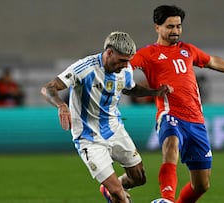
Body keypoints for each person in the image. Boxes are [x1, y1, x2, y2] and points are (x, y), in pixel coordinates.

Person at [130, 5, 224, 203]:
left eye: (178, 26)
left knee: (201, 184)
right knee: (171, 145)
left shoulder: (187, 50)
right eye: (170, 27)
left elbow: (213, 61)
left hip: (196, 121)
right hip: (169, 114)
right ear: (157, 27)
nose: (175, 31)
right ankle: (166, 198)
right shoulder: (148, 53)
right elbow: (125, 67)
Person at [40, 31, 173, 203]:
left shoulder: (125, 69)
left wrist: (154, 92)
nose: (126, 65)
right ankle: (113, 191)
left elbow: (129, 88)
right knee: (118, 194)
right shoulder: (85, 67)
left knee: (139, 178)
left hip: (115, 129)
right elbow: (48, 88)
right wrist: (61, 105)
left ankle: (109, 188)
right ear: (109, 53)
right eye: (122, 60)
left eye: (128, 61)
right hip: (88, 138)